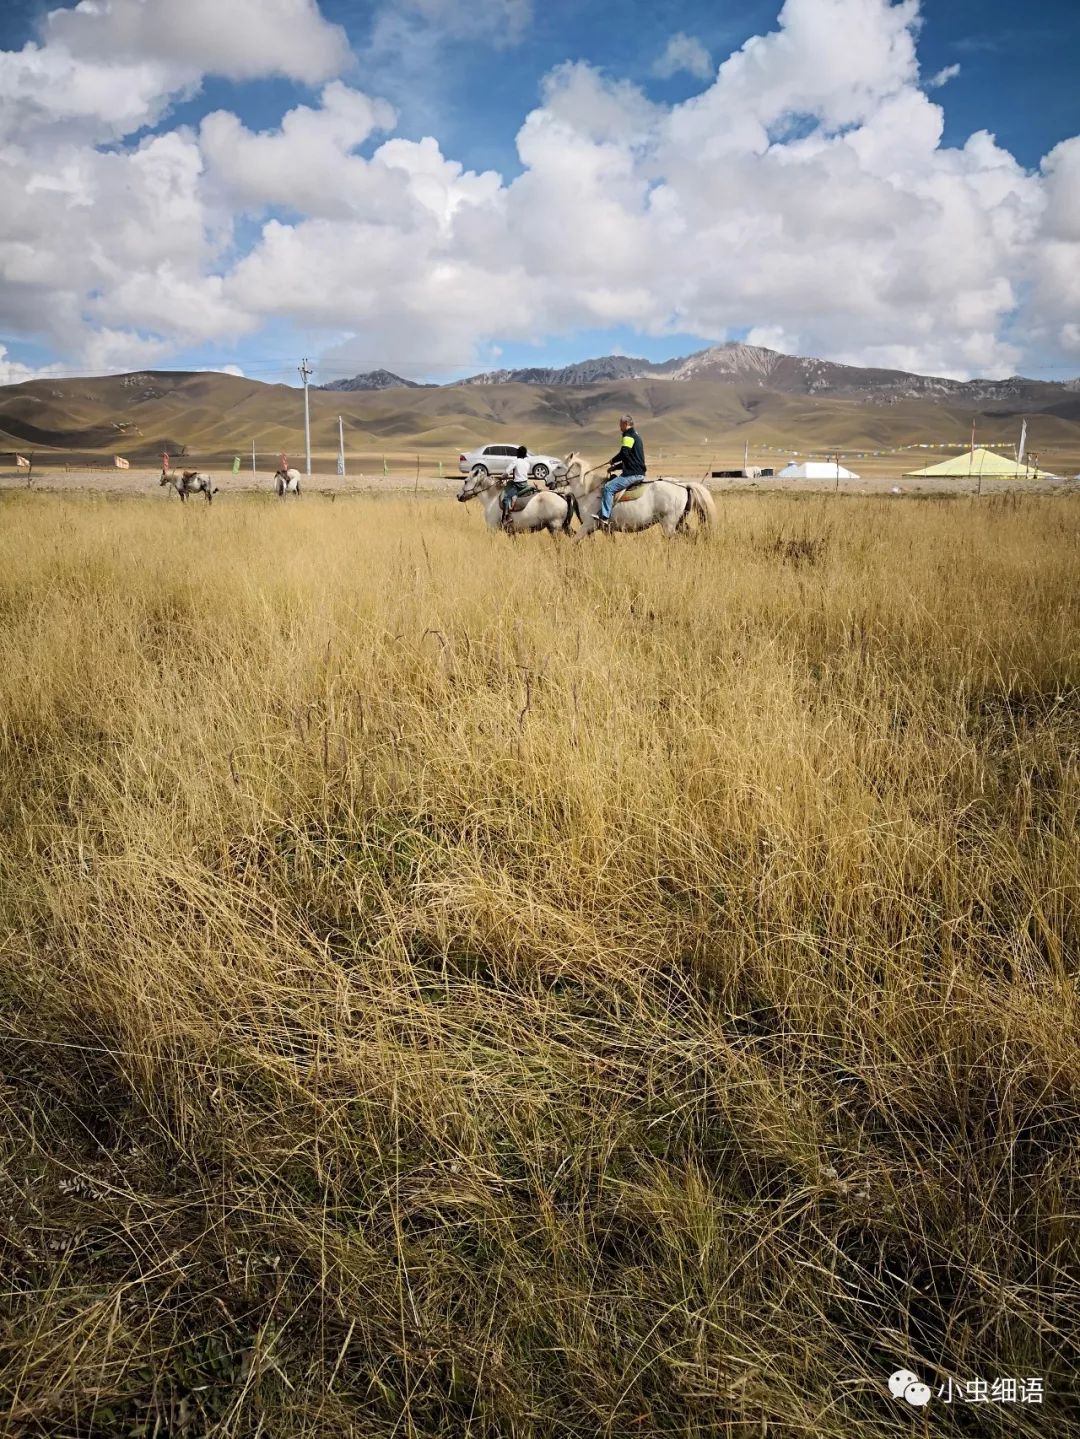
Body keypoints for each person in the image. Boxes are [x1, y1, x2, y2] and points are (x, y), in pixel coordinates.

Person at [598, 415, 646, 529]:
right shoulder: (636, 436)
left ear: (625, 424)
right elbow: (630, 459)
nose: (619, 427)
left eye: (620, 425)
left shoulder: (628, 436)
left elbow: (624, 454)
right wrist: (615, 467)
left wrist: (612, 460)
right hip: (638, 472)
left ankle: (605, 518)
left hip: (632, 474)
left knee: (608, 488)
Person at [501, 445, 533, 528]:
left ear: (518, 453)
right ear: (525, 454)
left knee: (506, 498)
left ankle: (507, 517)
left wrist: (502, 477)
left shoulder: (515, 461)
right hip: (525, 484)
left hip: (517, 485)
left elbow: (507, 472)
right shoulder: (527, 463)